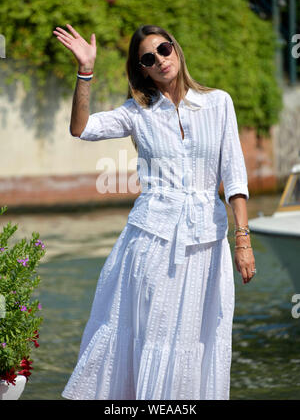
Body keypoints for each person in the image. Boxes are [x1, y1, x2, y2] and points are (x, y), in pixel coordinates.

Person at [53, 23, 256, 400]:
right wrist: (86, 71)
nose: (160, 60)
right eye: (148, 58)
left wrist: (242, 239)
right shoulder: (137, 112)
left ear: (175, 49)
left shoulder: (219, 102)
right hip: (152, 243)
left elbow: (235, 175)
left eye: (164, 49)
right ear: (141, 68)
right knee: (152, 335)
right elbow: (81, 129)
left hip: (208, 244)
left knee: (199, 337)